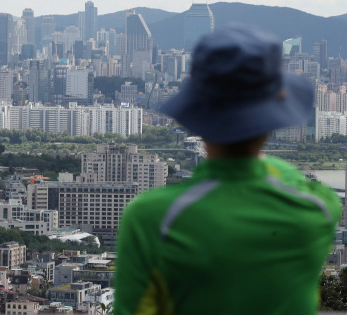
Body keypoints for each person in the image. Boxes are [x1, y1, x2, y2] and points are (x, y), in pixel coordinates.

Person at [113, 24, 341, 315]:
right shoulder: (317, 208)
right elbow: (286, 178)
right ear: (274, 115)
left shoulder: (153, 219)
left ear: (197, 112)